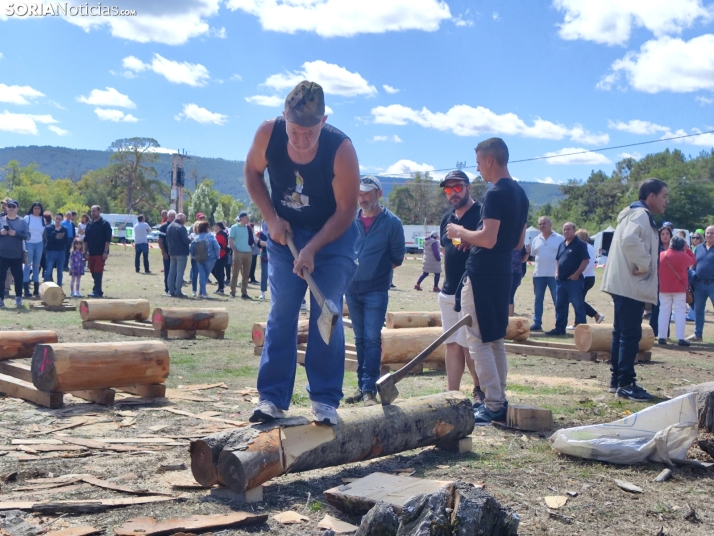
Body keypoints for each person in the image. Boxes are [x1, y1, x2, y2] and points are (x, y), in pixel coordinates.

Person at [243, 80, 359, 425]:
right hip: (285, 232)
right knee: (282, 310)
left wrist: (312, 248)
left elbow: (346, 211)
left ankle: (325, 400)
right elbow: (251, 172)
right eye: (295, 130)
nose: (301, 138)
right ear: (284, 119)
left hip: (332, 236)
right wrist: (271, 218)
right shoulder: (269, 133)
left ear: (322, 122)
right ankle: (272, 399)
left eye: (310, 131)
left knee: (327, 308)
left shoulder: (341, 149)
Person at [446, 137, 529, 424]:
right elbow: (517, 242)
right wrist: (479, 240)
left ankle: (493, 403)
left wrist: (462, 232)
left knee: (478, 340)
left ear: (490, 160)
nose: (479, 169)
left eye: (479, 163)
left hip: (482, 273)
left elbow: (489, 237)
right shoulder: (520, 194)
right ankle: (499, 398)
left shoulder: (495, 194)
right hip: (503, 271)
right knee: (495, 339)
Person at [602, 178, 668, 401]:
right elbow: (630, 240)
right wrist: (645, 264)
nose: (666, 201)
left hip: (623, 283)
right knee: (630, 334)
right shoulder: (640, 215)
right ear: (651, 196)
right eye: (664, 196)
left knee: (621, 332)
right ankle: (626, 383)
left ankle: (617, 380)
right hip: (630, 284)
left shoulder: (634, 214)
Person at [344, 176, 405, 407]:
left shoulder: (392, 223)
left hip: (376, 290)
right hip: (352, 288)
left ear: (379, 194)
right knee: (360, 339)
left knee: (371, 339)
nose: (362, 198)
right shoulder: (350, 219)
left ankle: (369, 388)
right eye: (359, 193)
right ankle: (363, 387)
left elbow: (397, 257)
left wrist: (376, 273)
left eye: (367, 193)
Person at [438, 169, 483, 403]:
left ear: (468, 187)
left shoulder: (481, 213)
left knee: (470, 345)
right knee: (452, 344)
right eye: (448, 189)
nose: (453, 193)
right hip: (448, 291)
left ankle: (478, 391)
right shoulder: (446, 218)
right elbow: (447, 250)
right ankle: (452, 394)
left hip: (471, 290)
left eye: (457, 187)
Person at [546, 223, 589, 335]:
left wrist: (576, 274)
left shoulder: (579, 244)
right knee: (560, 306)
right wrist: (556, 271)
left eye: (568, 229)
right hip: (561, 281)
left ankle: (582, 331)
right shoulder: (562, 244)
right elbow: (558, 260)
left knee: (578, 305)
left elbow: (586, 260)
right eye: (564, 229)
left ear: (574, 230)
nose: (566, 231)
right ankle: (560, 329)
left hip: (573, 281)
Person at [527, 216, 564, 331]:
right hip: (538, 274)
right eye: (540, 224)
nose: (542, 226)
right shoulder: (536, 239)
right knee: (538, 300)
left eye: (544, 223)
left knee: (557, 300)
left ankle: (559, 325)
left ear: (550, 225)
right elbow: (533, 254)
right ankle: (537, 323)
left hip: (554, 275)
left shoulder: (559, 238)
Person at [658, 234, 695, 346]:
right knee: (680, 312)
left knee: (664, 311)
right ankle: (680, 337)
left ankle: (662, 336)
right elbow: (693, 260)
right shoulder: (683, 256)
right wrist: (687, 249)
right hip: (679, 288)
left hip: (664, 287)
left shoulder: (662, 255)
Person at [0, 199, 30, 307]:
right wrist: (1, 232)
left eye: (13, 207)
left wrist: (16, 234)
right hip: (2, 254)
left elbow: (28, 236)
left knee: (18, 278)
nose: (11, 208)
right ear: (6, 208)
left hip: (17, 255)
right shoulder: (1, 220)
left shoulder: (22, 222)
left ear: (17, 209)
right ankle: (1, 299)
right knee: (1, 277)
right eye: (9, 206)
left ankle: (18, 298)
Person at [687, 225, 714, 342]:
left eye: (712, 233)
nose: (709, 235)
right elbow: (692, 264)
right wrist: (692, 274)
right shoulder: (698, 248)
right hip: (698, 284)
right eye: (707, 233)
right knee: (698, 310)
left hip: (712, 284)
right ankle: (697, 334)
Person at [573, 229, 604, 325]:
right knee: (578, 300)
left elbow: (589, 264)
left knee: (578, 301)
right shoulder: (586, 246)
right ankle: (578, 322)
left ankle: (595, 315)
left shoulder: (587, 247)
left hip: (586, 277)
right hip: (585, 276)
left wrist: (578, 272)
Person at [83, 205, 112, 298]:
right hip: (91, 252)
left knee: (98, 271)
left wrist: (105, 251)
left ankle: (97, 291)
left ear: (99, 211)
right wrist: (85, 252)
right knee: (92, 271)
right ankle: (97, 289)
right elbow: (86, 239)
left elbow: (107, 239)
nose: (93, 213)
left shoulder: (105, 224)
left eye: (94, 211)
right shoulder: (89, 224)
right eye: (92, 211)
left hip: (100, 252)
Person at [189, 221, 220, 298]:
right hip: (210, 258)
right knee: (206, 275)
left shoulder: (196, 238)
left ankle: (201, 292)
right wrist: (217, 256)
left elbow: (191, 249)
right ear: (206, 228)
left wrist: (194, 256)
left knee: (202, 275)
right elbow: (217, 247)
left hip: (199, 258)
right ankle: (203, 292)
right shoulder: (211, 236)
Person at [229, 211, 255, 299]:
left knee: (246, 274)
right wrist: (235, 251)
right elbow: (231, 240)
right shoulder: (234, 227)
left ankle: (244, 292)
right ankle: (232, 291)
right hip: (238, 253)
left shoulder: (248, 228)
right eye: (246, 217)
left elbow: (252, 239)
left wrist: (252, 248)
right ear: (241, 218)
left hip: (248, 252)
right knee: (235, 273)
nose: (248, 219)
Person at [22, 202, 45, 298]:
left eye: (38, 208)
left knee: (37, 266)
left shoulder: (42, 219)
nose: (37, 210)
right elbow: (23, 231)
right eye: (35, 208)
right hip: (29, 243)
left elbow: (43, 233)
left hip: (39, 243)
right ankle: (26, 289)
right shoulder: (27, 218)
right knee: (28, 266)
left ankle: (36, 289)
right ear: (32, 209)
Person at [166, 213, 190, 298]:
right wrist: (191, 238)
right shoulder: (181, 228)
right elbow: (186, 241)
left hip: (172, 252)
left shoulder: (169, 226)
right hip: (181, 252)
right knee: (180, 272)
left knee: (171, 272)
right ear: (182, 219)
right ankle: (178, 291)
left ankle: (170, 291)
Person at [44, 213, 69, 287]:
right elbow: (49, 239)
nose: (58, 220)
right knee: (48, 270)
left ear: (62, 220)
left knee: (60, 271)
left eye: (59, 219)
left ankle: (59, 287)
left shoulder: (64, 229)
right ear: (54, 219)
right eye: (57, 218)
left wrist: (56, 238)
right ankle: (46, 287)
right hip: (51, 251)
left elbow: (65, 241)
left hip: (61, 251)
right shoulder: (49, 228)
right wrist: (56, 231)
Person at [686, 229, 704, 321]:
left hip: (697, 276)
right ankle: (692, 313)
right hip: (691, 274)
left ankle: (693, 314)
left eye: (697, 238)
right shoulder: (692, 248)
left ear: (701, 239)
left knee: (694, 296)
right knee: (691, 295)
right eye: (693, 238)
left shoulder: (701, 248)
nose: (695, 239)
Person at [158, 210, 176, 295]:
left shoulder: (177, 226)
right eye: (171, 216)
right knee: (168, 271)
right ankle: (167, 289)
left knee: (175, 271)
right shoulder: (164, 227)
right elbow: (160, 240)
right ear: (168, 217)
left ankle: (174, 288)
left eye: (173, 216)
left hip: (175, 253)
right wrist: (164, 252)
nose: (172, 218)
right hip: (167, 253)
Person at [510, 246, 528, 317]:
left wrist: (527, 252)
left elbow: (523, 260)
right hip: (503, 272)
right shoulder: (503, 240)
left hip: (516, 273)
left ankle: (510, 320)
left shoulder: (521, 245)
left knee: (510, 296)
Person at [212, 221, 229, 295]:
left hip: (221, 256)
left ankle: (221, 287)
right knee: (218, 272)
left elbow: (220, 246)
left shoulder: (220, 235)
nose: (214, 227)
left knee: (217, 271)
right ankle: (221, 286)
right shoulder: (221, 234)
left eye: (215, 226)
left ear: (218, 226)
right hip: (222, 255)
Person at [258, 221, 269, 300]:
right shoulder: (262, 234)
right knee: (264, 275)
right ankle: (262, 292)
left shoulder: (276, 232)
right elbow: (259, 243)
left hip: (275, 257)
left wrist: (266, 243)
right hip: (265, 256)